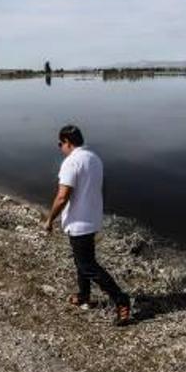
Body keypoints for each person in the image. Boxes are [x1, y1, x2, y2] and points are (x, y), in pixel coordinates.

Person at [43, 125, 131, 325]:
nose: (60, 147)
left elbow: (62, 196)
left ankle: (121, 300)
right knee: (81, 261)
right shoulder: (94, 158)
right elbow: (100, 188)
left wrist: (49, 220)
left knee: (87, 265)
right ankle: (84, 296)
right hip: (91, 218)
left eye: (60, 143)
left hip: (79, 222)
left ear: (67, 142)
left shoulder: (71, 162)